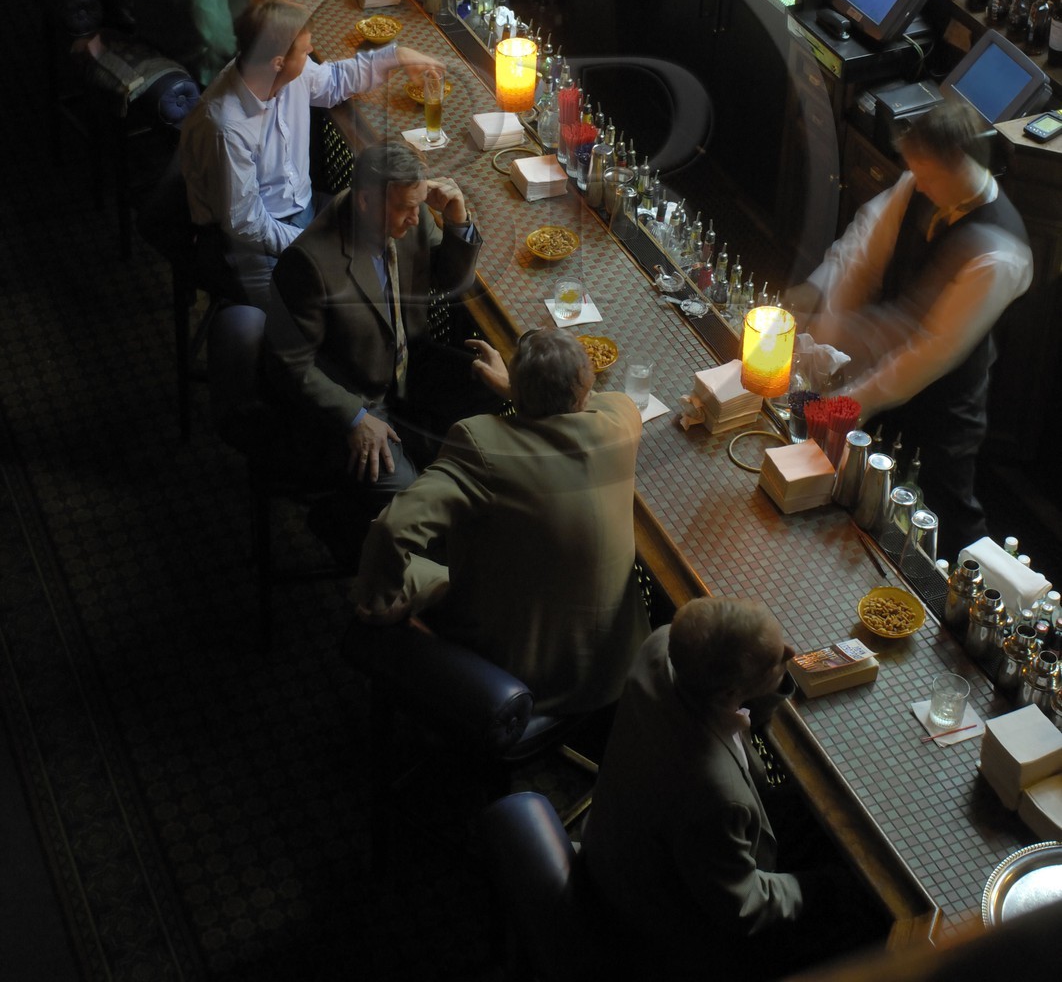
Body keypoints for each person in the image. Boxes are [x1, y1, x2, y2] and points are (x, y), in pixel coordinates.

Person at [355, 328, 649, 715]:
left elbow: (392, 529)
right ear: (584, 392)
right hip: (616, 667)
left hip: (521, 677)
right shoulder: (623, 421)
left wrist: (377, 602)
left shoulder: (482, 443)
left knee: (393, 571)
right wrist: (524, 390)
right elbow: (590, 403)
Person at [787, 99, 1033, 552]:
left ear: (960, 164)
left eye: (926, 174)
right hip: (882, 375)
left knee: (943, 513)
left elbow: (930, 350)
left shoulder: (999, 253)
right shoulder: (920, 181)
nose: (916, 182)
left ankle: (966, 601)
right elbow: (863, 254)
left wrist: (846, 403)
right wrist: (824, 343)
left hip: (943, 406)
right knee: (863, 497)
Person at [580, 596, 806, 974]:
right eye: (776, 658)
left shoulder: (663, 647)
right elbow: (743, 905)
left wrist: (769, 677)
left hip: (617, 847)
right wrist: (818, 889)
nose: (791, 651)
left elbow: (737, 711)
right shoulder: (716, 796)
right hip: (658, 920)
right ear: (728, 695)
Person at [179, 2, 442, 309]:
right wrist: (314, 244)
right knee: (338, 307)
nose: (311, 52)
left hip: (304, 209)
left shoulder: (281, 74)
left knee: (386, 240)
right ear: (279, 62)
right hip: (252, 246)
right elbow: (245, 224)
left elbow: (333, 81)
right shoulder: (227, 127)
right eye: (305, 52)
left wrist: (397, 56)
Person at [264, 141, 481, 512]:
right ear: (365, 201)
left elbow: (448, 280)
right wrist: (354, 416)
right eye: (406, 209)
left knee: (490, 391)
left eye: (419, 205)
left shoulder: (407, 215)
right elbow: (289, 365)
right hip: (357, 397)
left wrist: (458, 220)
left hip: (407, 366)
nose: (416, 218)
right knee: (410, 500)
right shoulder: (309, 264)